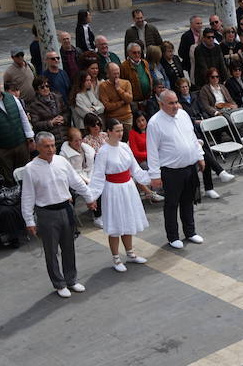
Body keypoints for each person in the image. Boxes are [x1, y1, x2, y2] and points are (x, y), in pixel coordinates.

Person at [22, 132, 92, 297]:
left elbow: (76, 181)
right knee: (51, 251)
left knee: (69, 248)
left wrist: (89, 197)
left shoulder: (61, 161)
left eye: (53, 145)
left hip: (66, 209)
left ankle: (71, 280)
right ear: (37, 147)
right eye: (46, 146)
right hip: (46, 213)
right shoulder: (30, 169)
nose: (51, 149)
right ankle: (59, 283)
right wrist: (29, 220)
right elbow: (27, 196)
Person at [87, 117, 152, 271]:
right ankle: (116, 259)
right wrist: (92, 197)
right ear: (108, 132)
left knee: (128, 220)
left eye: (122, 130)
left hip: (128, 188)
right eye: (117, 131)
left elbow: (135, 169)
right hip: (113, 190)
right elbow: (98, 177)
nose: (120, 133)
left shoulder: (124, 147)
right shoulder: (103, 152)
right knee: (115, 224)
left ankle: (130, 253)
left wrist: (152, 177)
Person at [146, 89, 205, 249]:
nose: (175, 106)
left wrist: (200, 156)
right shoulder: (154, 123)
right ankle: (173, 237)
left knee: (188, 201)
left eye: (176, 102)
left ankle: (190, 232)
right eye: (171, 103)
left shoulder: (183, 115)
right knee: (172, 204)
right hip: (171, 170)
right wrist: (155, 175)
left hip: (189, 167)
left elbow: (192, 137)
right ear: (161, 104)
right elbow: (152, 151)